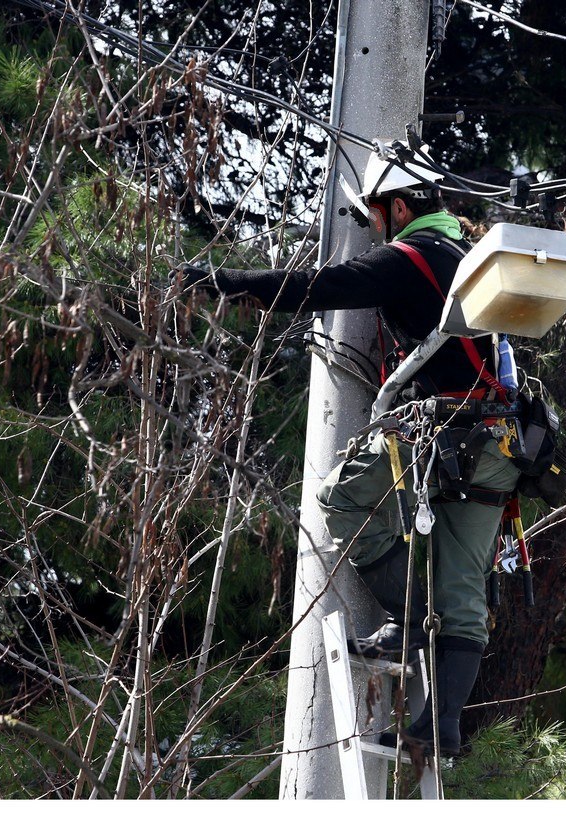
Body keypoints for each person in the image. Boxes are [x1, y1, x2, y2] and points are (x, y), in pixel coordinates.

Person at [182, 142, 519, 756]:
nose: (369, 229)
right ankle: (437, 729)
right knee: (465, 595)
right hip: (500, 441)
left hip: (447, 434)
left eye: (371, 216)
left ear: (394, 207)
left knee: (343, 504)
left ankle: (413, 618)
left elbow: (319, 285)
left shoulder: (411, 256)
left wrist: (219, 283)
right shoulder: (467, 257)